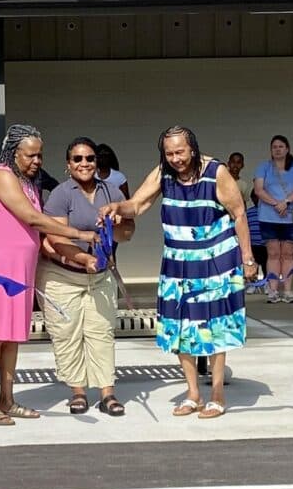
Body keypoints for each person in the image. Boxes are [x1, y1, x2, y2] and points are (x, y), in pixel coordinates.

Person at [100, 126, 259, 419]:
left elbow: (238, 213)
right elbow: (138, 204)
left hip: (216, 260)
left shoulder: (216, 172)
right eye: (169, 153)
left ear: (193, 148)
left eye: (180, 152)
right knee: (181, 329)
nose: (175, 158)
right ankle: (193, 394)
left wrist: (248, 258)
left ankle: (218, 395)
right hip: (177, 262)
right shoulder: (163, 173)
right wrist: (116, 206)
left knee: (214, 328)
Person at [0, 124, 97, 426]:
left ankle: (7, 399)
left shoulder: (27, 182)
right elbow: (32, 218)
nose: (37, 161)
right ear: (13, 153)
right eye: (30, 155)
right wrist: (77, 233)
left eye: (40, 155)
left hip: (18, 265)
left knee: (12, 335)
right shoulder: (2, 176)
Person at [36, 137, 134, 416]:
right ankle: (77, 392)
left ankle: (107, 393)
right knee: (68, 334)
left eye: (89, 158)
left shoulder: (112, 192)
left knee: (101, 332)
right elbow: (54, 237)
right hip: (62, 274)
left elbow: (128, 234)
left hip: (100, 275)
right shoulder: (61, 194)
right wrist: (84, 258)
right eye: (77, 159)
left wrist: (117, 225)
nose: (84, 164)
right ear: (68, 165)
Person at [253, 135, 293, 303]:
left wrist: (286, 202)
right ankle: (273, 291)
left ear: (287, 148)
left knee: (288, 254)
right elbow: (259, 190)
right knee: (273, 254)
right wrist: (276, 204)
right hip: (269, 216)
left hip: (291, 216)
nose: (277, 149)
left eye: (280, 146)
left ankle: (288, 290)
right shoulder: (263, 167)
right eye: (274, 147)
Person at [227, 151, 267, 292]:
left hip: (236, 224)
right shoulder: (222, 181)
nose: (235, 165)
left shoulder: (243, 185)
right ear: (228, 163)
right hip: (222, 224)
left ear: (242, 165)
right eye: (233, 162)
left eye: (239, 162)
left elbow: (242, 207)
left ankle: (241, 283)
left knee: (239, 253)